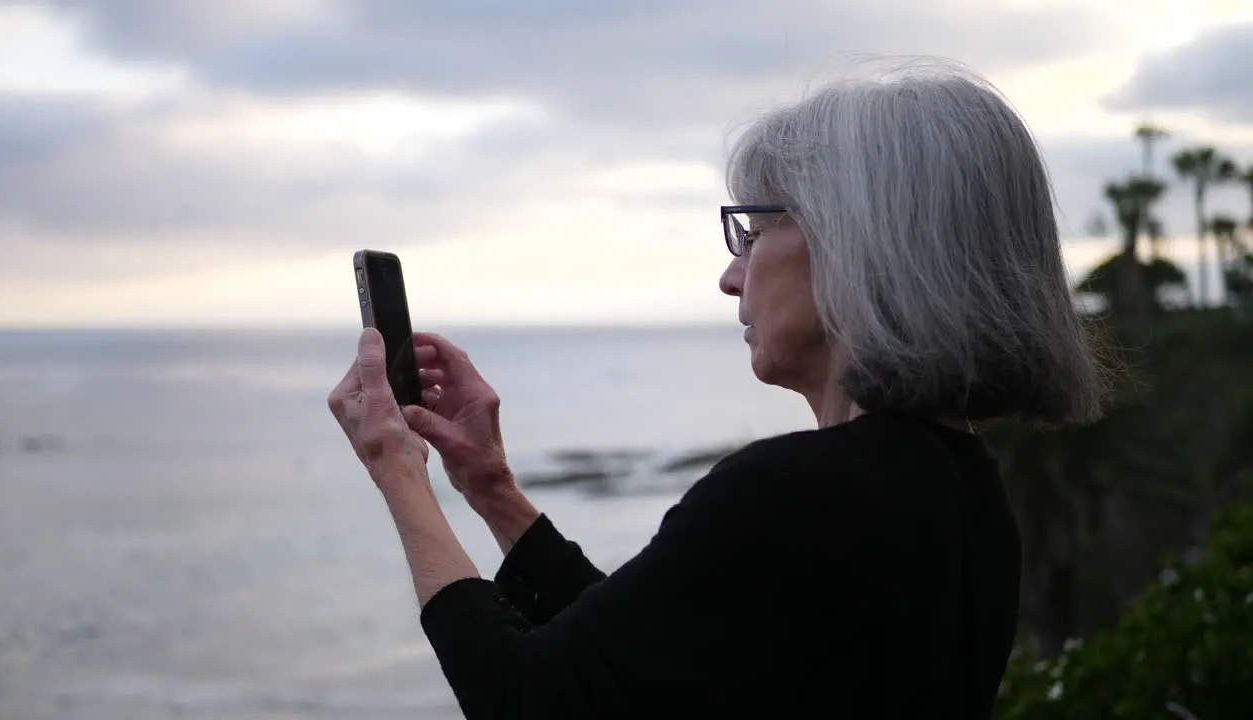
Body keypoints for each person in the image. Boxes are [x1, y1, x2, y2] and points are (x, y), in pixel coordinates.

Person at [328, 63, 1106, 719]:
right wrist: (492, 489)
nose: (732, 274)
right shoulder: (963, 490)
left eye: (755, 231)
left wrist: (400, 473)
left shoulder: (793, 494)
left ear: (861, 246)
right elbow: (636, 656)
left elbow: (527, 699)